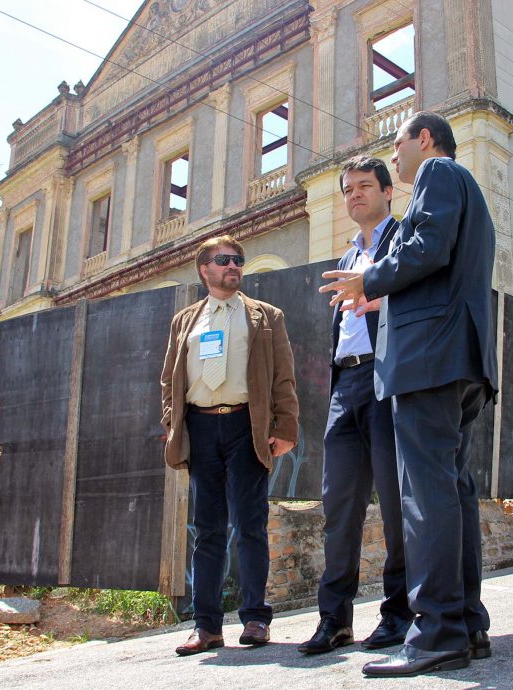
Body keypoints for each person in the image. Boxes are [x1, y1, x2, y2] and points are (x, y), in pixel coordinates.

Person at [319, 111, 497, 677]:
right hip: (457, 361)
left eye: (397, 147)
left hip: (429, 361)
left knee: (426, 496)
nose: (394, 158)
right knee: (452, 491)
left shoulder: (439, 174)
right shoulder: (465, 189)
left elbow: (428, 248)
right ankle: (467, 624)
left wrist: (368, 279)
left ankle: (437, 633)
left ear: (425, 140)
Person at [160, 235, 299, 656]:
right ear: (204, 269)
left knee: (251, 525)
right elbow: (169, 379)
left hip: (246, 427)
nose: (233, 265)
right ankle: (207, 627)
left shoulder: (265, 316)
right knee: (208, 531)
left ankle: (256, 618)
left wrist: (286, 425)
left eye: (238, 260)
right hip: (201, 430)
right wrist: (173, 422)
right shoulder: (185, 321)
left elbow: (283, 376)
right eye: (224, 260)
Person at [298, 156, 413, 655]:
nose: (354, 196)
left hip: (385, 379)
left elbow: (420, 298)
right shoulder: (346, 257)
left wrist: (380, 300)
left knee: (393, 503)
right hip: (345, 384)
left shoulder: (404, 241)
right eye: (347, 190)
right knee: (338, 505)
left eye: (365, 186)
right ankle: (334, 619)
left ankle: (399, 613)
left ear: (389, 192)